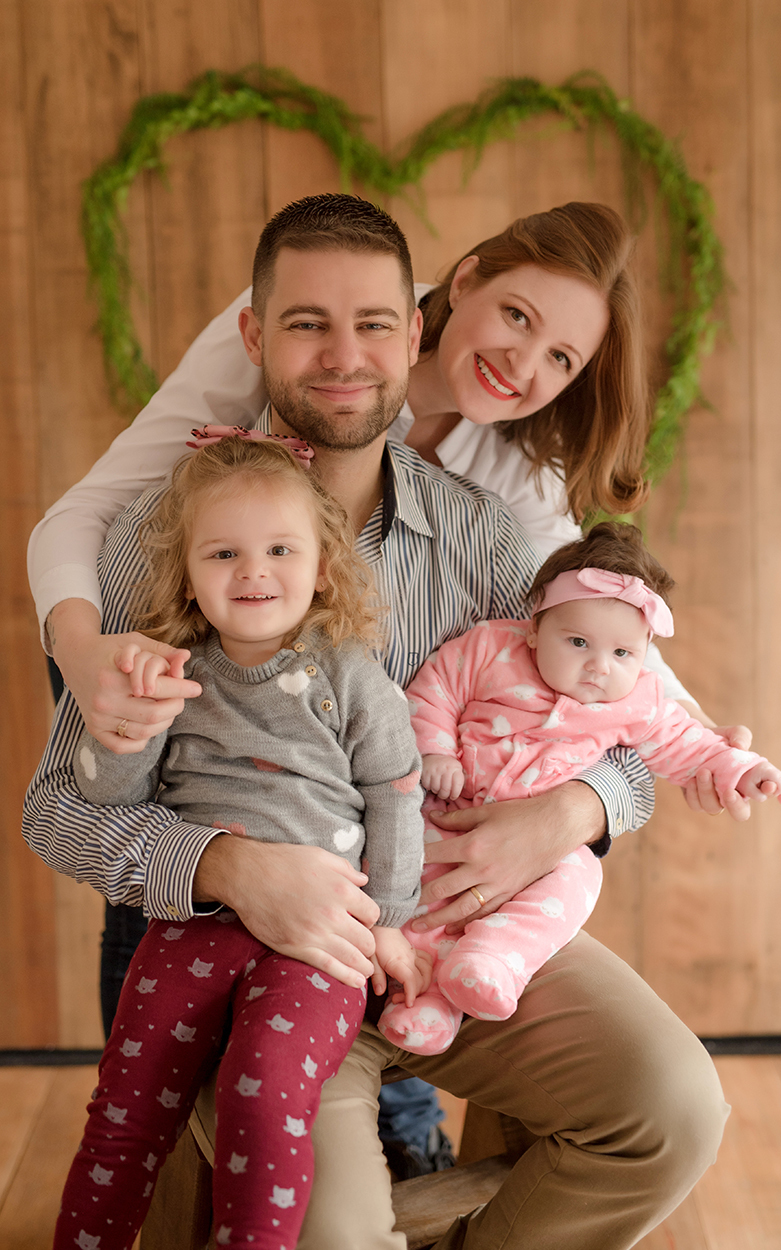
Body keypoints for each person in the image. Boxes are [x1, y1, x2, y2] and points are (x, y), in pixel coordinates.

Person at [25, 194, 729, 1249]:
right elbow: (60, 812)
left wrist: (579, 805)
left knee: (673, 1109)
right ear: (254, 337)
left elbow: (637, 717)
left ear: (414, 329)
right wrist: (226, 864)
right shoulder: (161, 539)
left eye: (370, 324)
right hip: (251, 957)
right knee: (328, 1230)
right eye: (306, 323)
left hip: (452, 937)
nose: (343, 356)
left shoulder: (494, 542)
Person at [56, 432, 430, 1250]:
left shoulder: (353, 676)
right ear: (188, 574)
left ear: (322, 567)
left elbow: (399, 796)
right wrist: (127, 725)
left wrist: (393, 921)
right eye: (223, 552)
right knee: (126, 1104)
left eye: (279, 550)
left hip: (323, 944)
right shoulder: (173, 666)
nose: (253, 571)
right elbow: (107, 800)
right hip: (196, 924)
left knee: (262, 1101)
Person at [379, 522, 781, 1053]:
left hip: (550, 843)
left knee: (576, 880)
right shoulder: (489, 648)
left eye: (623, 653)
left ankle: (493, 960)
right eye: (577, 642)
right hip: (451, 808)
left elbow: (690, 746)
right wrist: (435, 751)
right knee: (420, 887)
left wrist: (739, 768)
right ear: (533, 629)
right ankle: (421, 998)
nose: (599, 667)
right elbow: (434, 688)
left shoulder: (639, 700)